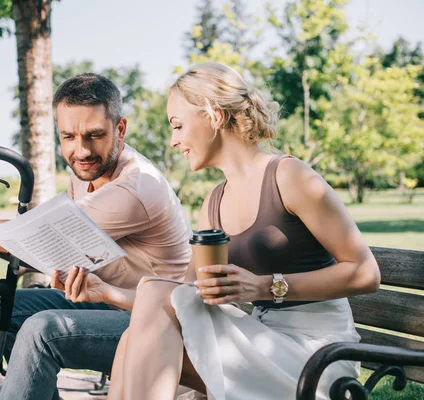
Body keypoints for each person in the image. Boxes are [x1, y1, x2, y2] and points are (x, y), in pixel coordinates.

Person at [0, 73, 193, 400]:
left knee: (41, 331)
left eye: (94, 135)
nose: (81, 150)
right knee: (1, 306)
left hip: (161, 324)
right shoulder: (93, 173)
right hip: (109, 301)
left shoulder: (134, 187)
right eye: (68, 136)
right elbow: (49, 232)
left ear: (120, 129)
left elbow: (18, 238)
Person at [106, 62, 381, 400]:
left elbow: (366, 273)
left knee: (140, 334)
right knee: (133, 338)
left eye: (177, 126)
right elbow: (178, 296)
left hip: (318, 356)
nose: (174, 141)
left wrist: (264, 286)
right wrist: (103, 291)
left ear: (214, 116)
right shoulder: (214, 203)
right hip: (259, 341)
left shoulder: (289, 177)